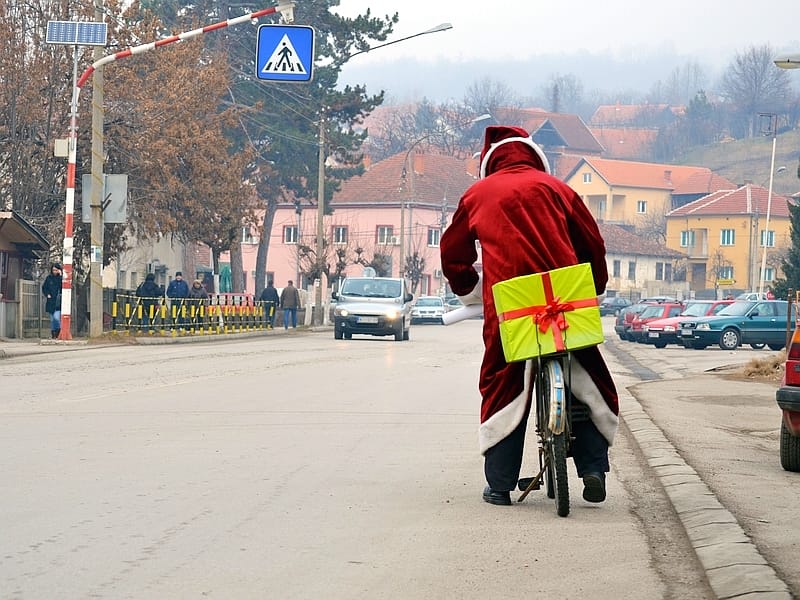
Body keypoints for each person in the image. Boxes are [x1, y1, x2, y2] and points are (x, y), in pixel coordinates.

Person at [440, 125, 619, 507]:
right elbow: (593, 244)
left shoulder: (477, 194)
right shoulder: (560, 189)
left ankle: (500, 485)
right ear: (534, 156)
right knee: (586, 372)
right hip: (565, 300)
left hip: (511, 305)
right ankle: (592, 467)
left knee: (501, 381)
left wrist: (470, 289)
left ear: (491, 162)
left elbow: (452, 254)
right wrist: (596, 287)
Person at [41, 263, 63, 339]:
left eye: (56, 270)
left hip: (58, 301)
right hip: (50, 301)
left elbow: (62, 286)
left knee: (56, 318)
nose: (54, 271)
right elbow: (44, 287)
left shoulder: (61, 278)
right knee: (52, 319)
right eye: (53, 270)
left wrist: (60, 276)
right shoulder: (49, 278)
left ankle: (58, 331)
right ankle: (53, 333)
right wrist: (47, 294)